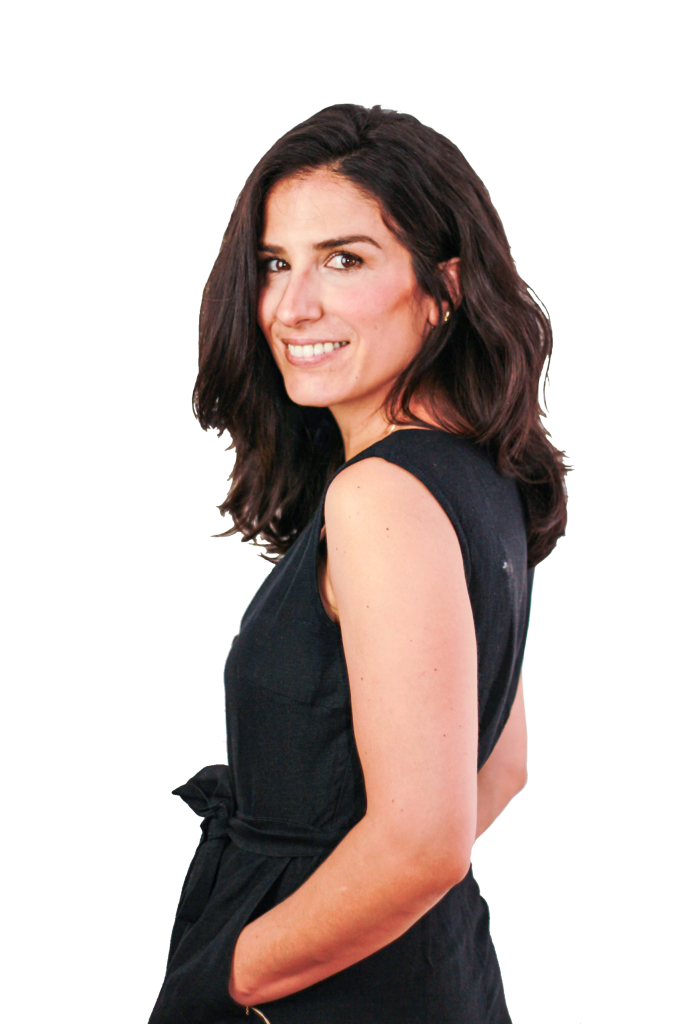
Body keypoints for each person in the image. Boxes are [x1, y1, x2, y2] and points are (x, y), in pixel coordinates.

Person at [149, 102, 572, 1023]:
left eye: (344, 260)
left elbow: (423, 845)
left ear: (442, 287)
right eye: (275, 264)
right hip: (421, 971)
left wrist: (234, 976)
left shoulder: (379, 496)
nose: (292, 306)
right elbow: (499, 767)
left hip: (325, 993)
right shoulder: (481, 475)